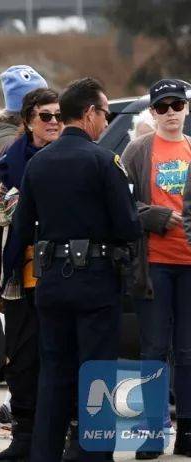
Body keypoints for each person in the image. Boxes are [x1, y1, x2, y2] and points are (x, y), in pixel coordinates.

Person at [8, 77, 142, 462]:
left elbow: (22, 225)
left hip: (50, 280)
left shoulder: (39, 162)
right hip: (96, 280)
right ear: (89, 113)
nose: (106, 121)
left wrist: (9, 278)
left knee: (54, 371)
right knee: (96, 371)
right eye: (105, 113)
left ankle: (44, 453)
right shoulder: (105, 161)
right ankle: (93, 454)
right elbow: (128, 226)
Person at [0, 87, 62, 461]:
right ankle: (24, 436)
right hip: (21, 278)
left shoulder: (72, 156)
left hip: (63, 275)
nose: (53, 123)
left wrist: (33, 199)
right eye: (45, 116)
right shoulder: (9, 161)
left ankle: (59, 437)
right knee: (22, 359)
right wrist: (37, 196)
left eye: (58, 116)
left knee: (59, 358)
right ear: (29, 119)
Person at [121, 78, 191, 459]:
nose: (169, 113)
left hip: (189, 263)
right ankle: (151, 431)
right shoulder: (137, 150)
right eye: (161, 107)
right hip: (154, 265)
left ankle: (187, 432)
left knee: (188, 351)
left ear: (186, 109)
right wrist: (163, 216)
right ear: (152, 111)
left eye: (176, 106)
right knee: (153, 349)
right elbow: (123, 207)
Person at [0, 64, 48, 428]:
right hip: (18, 259)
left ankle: (17, 407)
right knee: (24, 345)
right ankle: (18, 411)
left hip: (20, 258)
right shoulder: (8, 147)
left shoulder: (0, 139)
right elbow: (3, 211)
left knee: (26, 343)